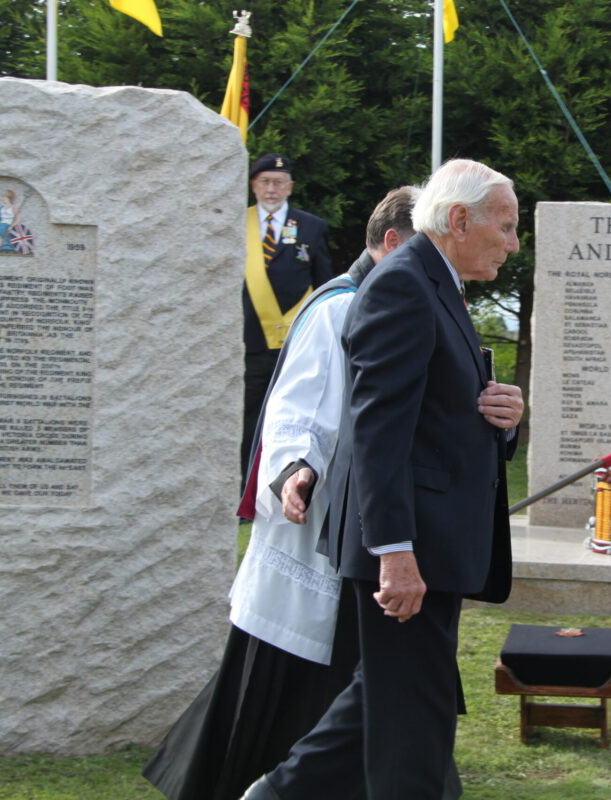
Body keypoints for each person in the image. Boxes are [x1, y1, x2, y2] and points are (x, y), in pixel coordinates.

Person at [241, 159, 524, 800]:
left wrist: (500, 417)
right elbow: (379, 434)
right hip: (411, 545)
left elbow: (435, 417)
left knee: (385, 701)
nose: (512, 243)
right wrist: (395, 554)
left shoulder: (434, 282)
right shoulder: (404, 285)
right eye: (505, 228)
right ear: (458, 221)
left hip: (434, 541)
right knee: (411, 729)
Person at [143, 188, 419, 800]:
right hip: (318, 517)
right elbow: (300, 405)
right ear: (395, 244)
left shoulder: (395, 302)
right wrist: (295, 468)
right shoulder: (339, 309)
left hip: (361, 517)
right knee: (300, 668)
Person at [240, 153, 334, 485]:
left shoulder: (311, 227)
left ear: (290, 187)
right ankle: (246, 487)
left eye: (278, 182)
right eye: (264, 181)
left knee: (293, 415)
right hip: (248, 341)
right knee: (249, 418)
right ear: (253, 186)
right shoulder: (237, 223)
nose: (271, 189)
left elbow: (325, 286)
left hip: (297, 342)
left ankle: (285, 480)